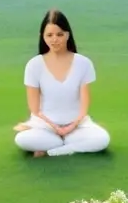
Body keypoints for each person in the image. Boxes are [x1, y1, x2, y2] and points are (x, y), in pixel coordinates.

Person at [14, 10, 111, 157]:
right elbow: (35, 109)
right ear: (42, 37)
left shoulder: (83, 63)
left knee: (103, 139)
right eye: (49, 35)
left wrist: (69, 128)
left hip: (77, 126)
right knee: (22, 139)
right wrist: (55, 128)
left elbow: (84, 108)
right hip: (45, 127)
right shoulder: (34, 65)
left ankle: (56, 150)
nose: (55, 40)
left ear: (68, 34)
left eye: (59, 34)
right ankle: (61, 142)